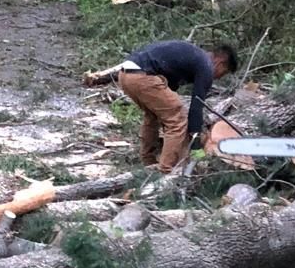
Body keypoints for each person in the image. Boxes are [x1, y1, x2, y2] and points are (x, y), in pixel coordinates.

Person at [83, 39, 239, 172]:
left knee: (153, 115)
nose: (218, 77)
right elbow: (197, 106)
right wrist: (196, 146)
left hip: (125, 75)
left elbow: (170, 89)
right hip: (142, 77)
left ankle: (148, 162)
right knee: (178, 118)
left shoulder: (192, 57)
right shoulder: (205, 65)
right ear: (220, 63)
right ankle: (166, 171)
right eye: (223, 73)